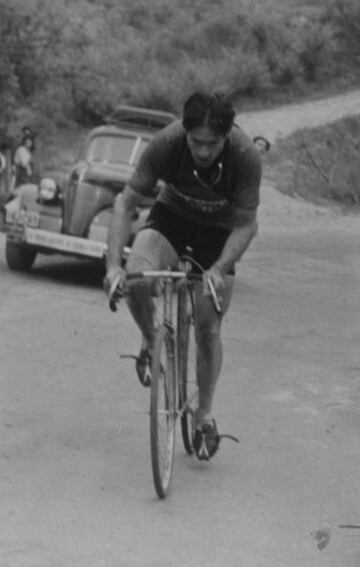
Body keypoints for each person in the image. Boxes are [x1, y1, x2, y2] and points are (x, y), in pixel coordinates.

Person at [104, 91, 261, 460]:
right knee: (137, 279)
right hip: (172, 218)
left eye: (212, 144)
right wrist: (112, 265)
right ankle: (151, 338)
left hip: (221, 232)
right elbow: (125, 201)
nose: (203, 152)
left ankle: (204, 414)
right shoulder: (168, 143)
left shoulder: (244, 156)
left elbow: (247, 226)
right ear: (184, 133)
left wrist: (220, 269)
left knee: (208, 326)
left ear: (227, 136)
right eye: (195, 142)